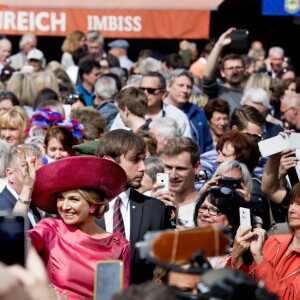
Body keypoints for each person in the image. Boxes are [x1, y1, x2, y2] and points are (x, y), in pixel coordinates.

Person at [13, 149, 130, 299]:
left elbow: (116, 297)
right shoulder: (50, 229)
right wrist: (27, 189)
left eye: (74, 199)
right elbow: (13, 242)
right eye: (61, 198)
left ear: (93, 205)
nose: (64, 206)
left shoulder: (118, 245)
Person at [95, 129, 166, 284]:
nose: (143, 168)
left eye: (143, 160)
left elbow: (162, 269)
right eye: (135, 160)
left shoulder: (155, 210)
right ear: (109, 161)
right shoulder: (83, 208)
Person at [229, 183, 300, 300]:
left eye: (299, 204)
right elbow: (248, 284)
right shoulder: (274, 241)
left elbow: (289, 297)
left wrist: (259, 258)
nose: (291, 210)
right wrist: (237, 255)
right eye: (291, 203)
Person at [194, 185, 252, 268]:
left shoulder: (234, 256)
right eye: (203, 207)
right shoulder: (184, 239)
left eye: (214, 210)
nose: (205, 214)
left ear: (231, 221)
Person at [164, 69, 213, 154]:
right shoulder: (159, 109)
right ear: (168, 87)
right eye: (181, 85)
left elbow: (208, 146)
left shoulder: (197, 112)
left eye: (189, 87)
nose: (185, 90)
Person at [158, 137, 201, 227]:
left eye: (180, 168)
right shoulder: (150, 197)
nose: (173, 175)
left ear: (196, 168)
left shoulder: (204, 209)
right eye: (169, 167)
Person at [202, 28, 245, 116]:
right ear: (222, 72)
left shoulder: (250, 92)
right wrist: (219, 45)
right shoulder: (218, 90)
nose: (235, 71)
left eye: (238, 67)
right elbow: (207, 76)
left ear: (244, 70)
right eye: (230, 68)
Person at [0, 144, 43, 228]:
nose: (34, 179)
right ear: (10, 174)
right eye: (27, 173)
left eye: (39, 173)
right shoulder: (2, 207)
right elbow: (11, 235)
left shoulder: (32, 202)